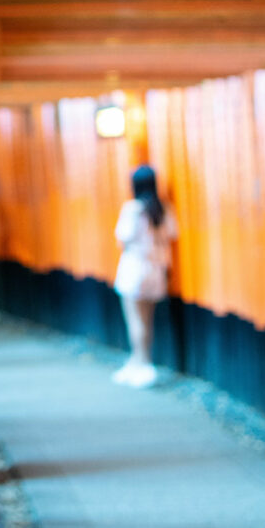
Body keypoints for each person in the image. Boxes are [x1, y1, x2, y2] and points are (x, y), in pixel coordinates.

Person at [112, 165, 177, 389]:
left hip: (134, 269)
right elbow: (172, 234)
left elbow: (123, 238)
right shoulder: (164, 209)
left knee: (135, 320)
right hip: (157, 270)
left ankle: (142, 364)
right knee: (147, 320)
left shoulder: (133, 209)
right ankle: (138, 362)